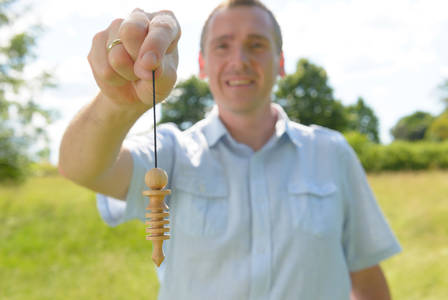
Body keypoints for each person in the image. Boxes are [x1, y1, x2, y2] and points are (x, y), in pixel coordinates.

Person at [59, 0, 401, 299]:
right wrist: (121, 102)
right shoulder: (172, 152)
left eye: (256, 44)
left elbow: (366, 276)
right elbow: (84, 168)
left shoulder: (332, 153)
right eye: (222, 46)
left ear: (280, 63)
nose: (239, 60)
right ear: (203, 64)